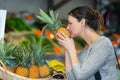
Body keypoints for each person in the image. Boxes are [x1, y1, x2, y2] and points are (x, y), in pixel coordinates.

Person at [56, 6, 118, 80]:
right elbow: (71, 78)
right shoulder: (86, 50)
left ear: (82, 22)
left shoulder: (104, 44)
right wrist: (67, 49)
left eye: (70, 23)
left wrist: (71, 49)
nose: (67, 28)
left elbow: (81, 76)